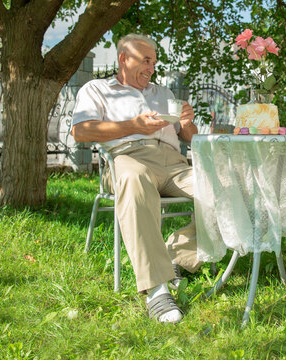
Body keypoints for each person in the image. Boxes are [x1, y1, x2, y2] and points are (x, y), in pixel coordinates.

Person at [71, 33, 202, 324]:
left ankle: (176, 255)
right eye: (145, 60)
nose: (151, 67)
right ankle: (157, 289)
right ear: (123, 58)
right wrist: (133, 126)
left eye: (154, 62)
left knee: (226, 186)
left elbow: (193, 140)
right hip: (127, 158)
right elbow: (81, 131)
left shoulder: (165, 94)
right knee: (133, 176)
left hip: (175, 164)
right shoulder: (98, 89)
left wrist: (186, 124)